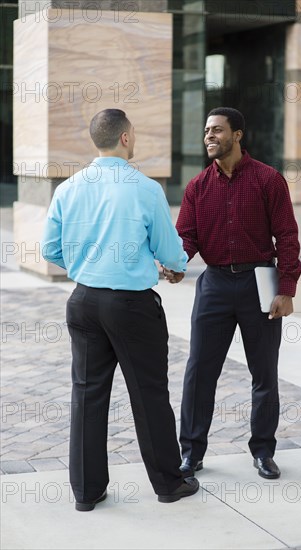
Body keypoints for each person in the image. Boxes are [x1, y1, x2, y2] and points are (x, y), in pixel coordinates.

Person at [41, 108, 199, 511]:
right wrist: (173, 265)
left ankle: (86, 492)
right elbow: (171, 253)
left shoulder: (69, 188)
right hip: (131, 306)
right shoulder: (145, 188)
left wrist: (86, 263)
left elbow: (50, 250)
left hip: (84, 301)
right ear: (126, 138)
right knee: (148, 394)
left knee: (86, 394)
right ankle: (168, 484)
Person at [168, 106, 301, 480]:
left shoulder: (268, 180)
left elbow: (287, 236)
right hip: (213, 285)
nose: (210, 136)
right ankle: (191, 453)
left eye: (217, 130)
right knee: (199, 371)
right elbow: (187, 237)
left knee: (264, 373)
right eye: (207, 130)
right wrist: (177, 264)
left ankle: (263, 451)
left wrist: (286, 288)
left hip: (259, 282)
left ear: (238, 135)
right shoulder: (197, 187)